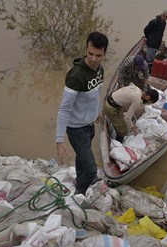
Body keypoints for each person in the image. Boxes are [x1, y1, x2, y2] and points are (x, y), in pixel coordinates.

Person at [55, 32, 108, 195]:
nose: (93, 59)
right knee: (91, 170)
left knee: (81, 157)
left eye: (98, 55)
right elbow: (64, 108)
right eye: (90, 53)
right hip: (76, 129)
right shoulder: (76, 76)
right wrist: (59, 140)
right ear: (86, 49)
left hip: (89, 125)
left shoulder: (100, 70)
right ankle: (79, 193)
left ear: (104, 53)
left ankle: (80, 178)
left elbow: (96, 93)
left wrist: (98, 110)